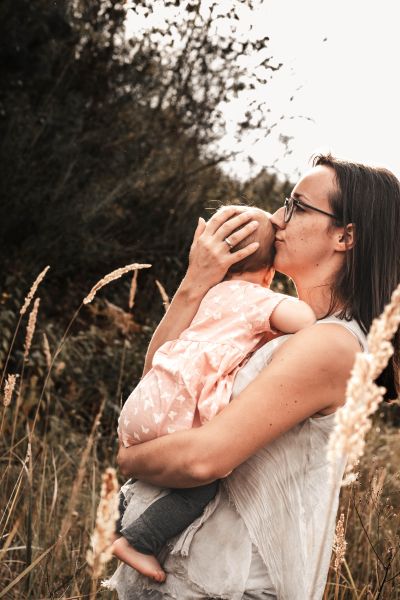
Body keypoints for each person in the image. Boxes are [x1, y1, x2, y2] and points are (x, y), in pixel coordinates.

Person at [105, 155, 400, 599]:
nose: (278, 218)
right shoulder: (280, 324)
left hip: (230, 584)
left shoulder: (333, 344)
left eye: (297, 206)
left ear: (345, 235)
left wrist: (129, 458)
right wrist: (196, 282)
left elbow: (202, 460)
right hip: (188, 572)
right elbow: (159, 387)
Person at [112, 207, 316, 582]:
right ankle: (138, 541)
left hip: (145, 404)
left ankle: (117, 518)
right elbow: (306, 322)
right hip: (183, 414)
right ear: (269, 273)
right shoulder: (258, 299)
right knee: (200, 488)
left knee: (144, 476)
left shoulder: (209, 295)